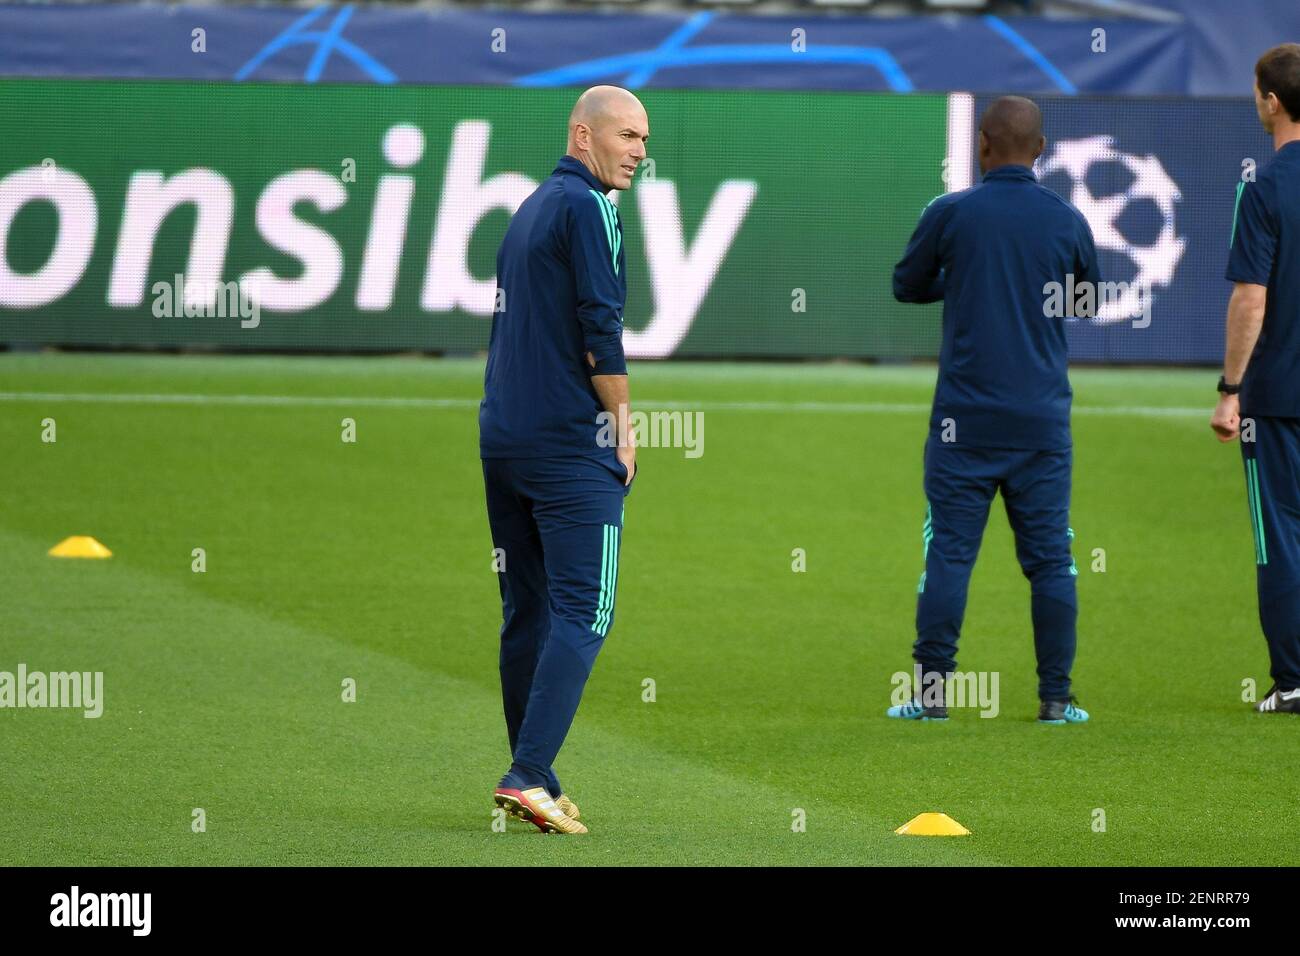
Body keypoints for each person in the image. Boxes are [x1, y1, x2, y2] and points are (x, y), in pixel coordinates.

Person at [888, 96, 1098, 724]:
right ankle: (1055, 699)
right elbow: (1085, 305)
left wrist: (968, 280)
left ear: (982, 146)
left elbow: (906, 284)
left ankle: (932, 698)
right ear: (1040, 149)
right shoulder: (1066, 220)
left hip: (963, 424)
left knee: (950, 554)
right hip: (1040, 422)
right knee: (1050, 561)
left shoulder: (952, 212)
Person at [480, 86, 647, 831]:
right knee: (588, 609)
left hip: (504, 439)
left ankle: (535, 772)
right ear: (584, 135)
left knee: (529, 611)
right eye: (629, 136)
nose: (640, 151)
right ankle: (525, 773)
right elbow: (599, 331)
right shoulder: (592, 209)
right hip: (567, 446)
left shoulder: (531, 208)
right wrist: (623, 428)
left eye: (645, 140)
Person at [1210, 43, 1300, 715]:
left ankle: (1293, 681)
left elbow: (1251, 298)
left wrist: (1229, 388)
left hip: (1280, 395)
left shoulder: (1264, 187)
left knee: (1282, 538)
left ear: (1271, 101)